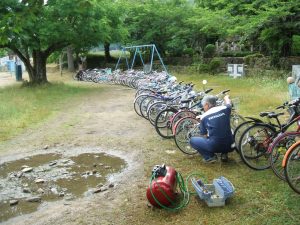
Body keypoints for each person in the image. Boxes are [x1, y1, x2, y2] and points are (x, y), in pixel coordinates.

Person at [190, 95, 234, 163]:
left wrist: (204, 125)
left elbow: (204, 135)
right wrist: (226, 97)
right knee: (225, 131)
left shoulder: (204, 116)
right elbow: (228, 103)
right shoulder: (225, 108)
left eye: (203, 105)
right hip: (231, 145)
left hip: (216, 146)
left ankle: (209, 157)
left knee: (192, 140)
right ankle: (224, 154)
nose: (203, 107)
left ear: (207, 105)